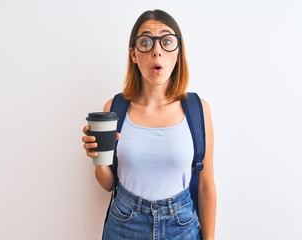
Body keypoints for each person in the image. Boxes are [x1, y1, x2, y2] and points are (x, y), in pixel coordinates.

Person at [82, 9, 216, 240]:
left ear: (178, 52)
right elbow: (107, 184)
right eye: (145, 42)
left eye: (166, 41)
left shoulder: (198, 109)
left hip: (181, 227)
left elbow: (206, 186)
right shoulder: (114, 108)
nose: (156, 52)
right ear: (133, 54)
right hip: (124, 224)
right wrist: (97, 159)